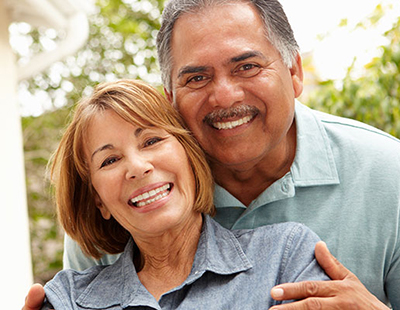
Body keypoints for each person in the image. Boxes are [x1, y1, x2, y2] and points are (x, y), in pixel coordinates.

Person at [23, 0, 400, 309]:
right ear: (171, 99)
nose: (224, 96)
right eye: (196, 78)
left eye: (247, 67)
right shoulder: (126, 208)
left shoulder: (387, 174)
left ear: (294, 71)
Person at [37, 79, 328, 309]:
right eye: (110, 160)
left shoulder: (286, 256)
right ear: (99, 200)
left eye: (151, 140)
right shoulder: (68, 299)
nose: (137, 168)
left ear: (189, 155)